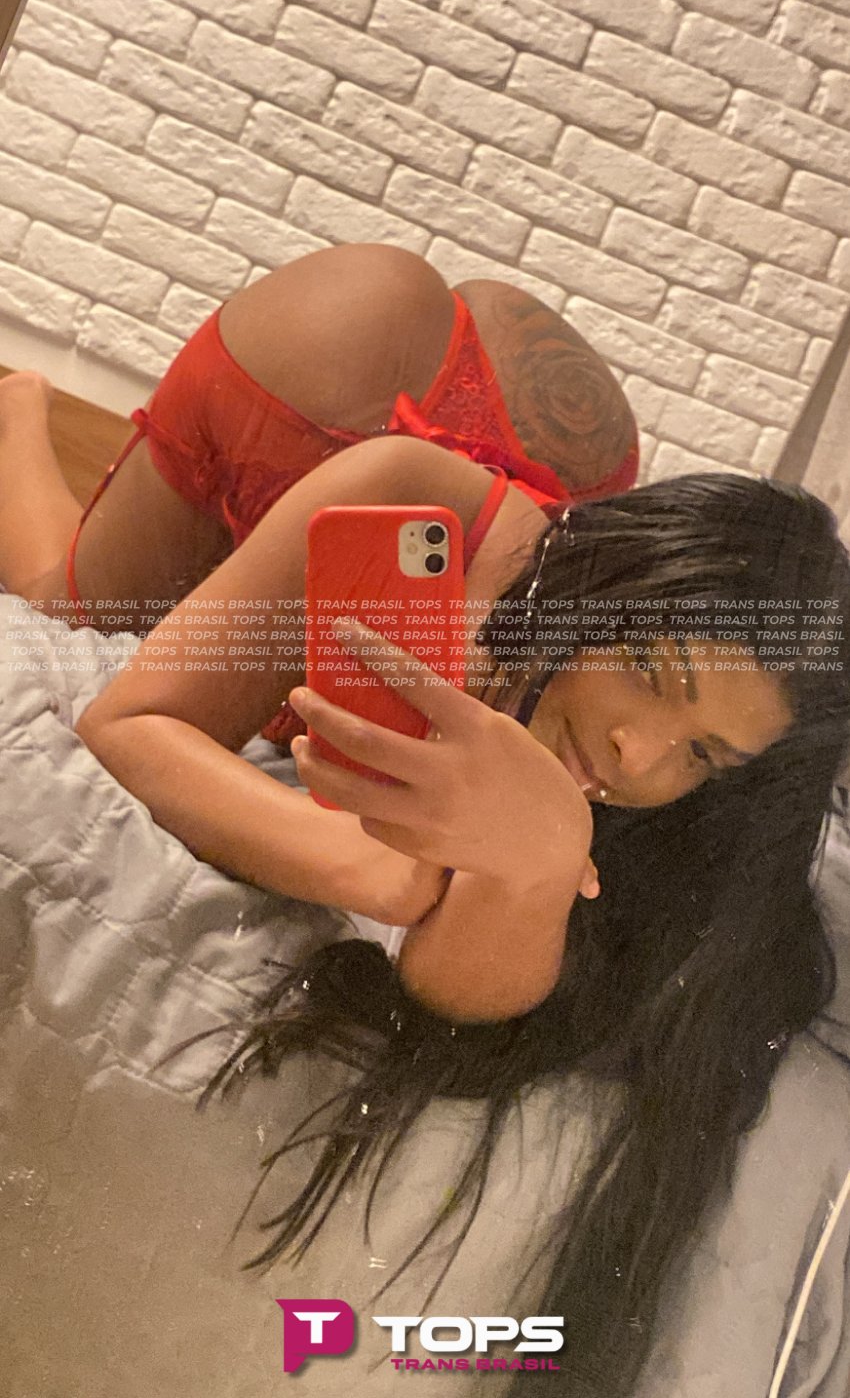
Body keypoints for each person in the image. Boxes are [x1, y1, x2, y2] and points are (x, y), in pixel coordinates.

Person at [2, 243, 849, 1393]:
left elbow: (468, 997)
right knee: (77, 606)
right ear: (611, 585)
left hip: (523, 475)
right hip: (314, 384)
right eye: (651, 671)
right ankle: (20, 406)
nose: (638, 754)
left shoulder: (657, 772)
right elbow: (132, 718)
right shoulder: (405, 497)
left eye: (702, 753)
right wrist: (371, 869)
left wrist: (535, 866)